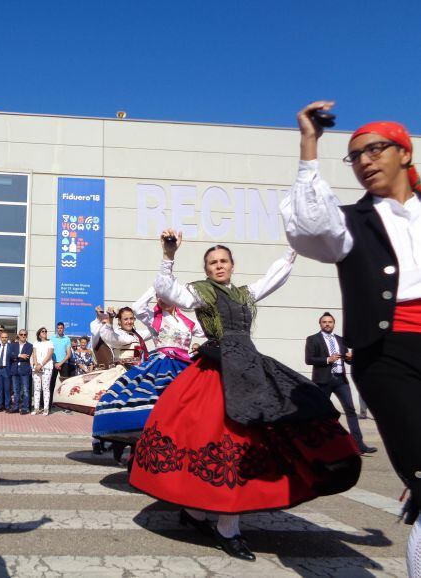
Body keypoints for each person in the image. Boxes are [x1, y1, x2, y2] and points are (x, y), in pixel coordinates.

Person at [130, 230, 361, 562]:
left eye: (223, 261)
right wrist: (168, 255)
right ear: (207, 269)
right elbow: (168, 291)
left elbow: (272, 279)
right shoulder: (201, 292)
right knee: (226, 441)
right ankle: (221, 525)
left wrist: (293, 251)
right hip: (217, 369)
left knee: (255, 437)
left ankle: (203, 516)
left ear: (232, 265)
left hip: (250, 367)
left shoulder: (244, 293)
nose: (218, 266)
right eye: (212, 262)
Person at [280, 101, 421, 576]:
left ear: (404, 153)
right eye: (355, 155)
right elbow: (308, 227)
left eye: (375, 149)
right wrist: (309, 144)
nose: (364, 161)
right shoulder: (349, 223)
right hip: (389, 352)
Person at [93, 283, 205, 452]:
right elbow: (111, 335)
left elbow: (207, 330)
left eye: (131, 319)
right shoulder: (152, 320)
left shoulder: (185, 321)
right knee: (136, 402)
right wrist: (157, 286)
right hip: (143, 368)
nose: (130, 321)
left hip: (182, 365)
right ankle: (114, 443)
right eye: (126, 319)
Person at [305, 312, 376, 454]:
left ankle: (359, 444)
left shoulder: (341, 340)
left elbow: (347, 359)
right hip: (323, 380)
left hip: (340, 380)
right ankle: (318, 445)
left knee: (350, 410)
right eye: (324, 322)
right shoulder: (313, 339)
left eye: (330, 322)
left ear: (334, 324)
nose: (327, 324)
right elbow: (309, 359)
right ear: (320, 324)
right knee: (320, 413)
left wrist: (350, 357)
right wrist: (327, 359)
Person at [48, 322, 72, 409]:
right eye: (58, 328)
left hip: (64, 363)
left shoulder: (67, 339)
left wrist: (60, 363)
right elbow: (49, 352)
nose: (59, 329)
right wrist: (55, 363)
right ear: (56, 329)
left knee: (64, 385)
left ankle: (64, 407)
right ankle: (49, 404)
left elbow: (69, 354)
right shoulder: (51, 338)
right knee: (51, 384)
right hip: (53, 363)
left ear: (63, 328)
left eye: (61, 328)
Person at [9, 329, 33, 414]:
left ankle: (25, 408)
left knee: (25, 390)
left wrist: (16, 356)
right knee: (16, 390)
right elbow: (10, 355)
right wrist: (19, 355)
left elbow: (27, 356)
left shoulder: (30, 346)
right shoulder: (13, 345)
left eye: (25, 334)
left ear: (26, 336)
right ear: (18, 335)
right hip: (15, 369)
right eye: (21, 334)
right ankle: (15, 407)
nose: (23, 336)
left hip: (24, 369)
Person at [31, 327, 54, 415]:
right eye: (42, 331)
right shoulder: (36, 343)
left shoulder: (50, 342)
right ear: (39, 334)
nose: (44, 332)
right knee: (37, 389)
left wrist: (41, 364)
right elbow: (34, 355)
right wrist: (36, 365)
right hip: (36, 368)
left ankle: (46, 408)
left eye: (45, 331)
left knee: (45, 388)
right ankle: (36, 408)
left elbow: (49, 355)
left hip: (47, 367)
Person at [0, 331, 13, 412]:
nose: (4, 339)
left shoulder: (11, 347)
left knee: (7, 389)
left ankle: (7, 406)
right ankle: (0, 405)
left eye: (6, 337)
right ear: (0, 338)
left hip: (7, 369)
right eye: (3, 337)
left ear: (7, 338)